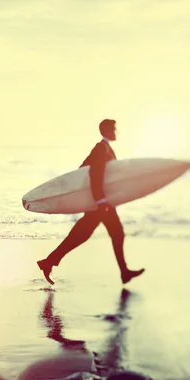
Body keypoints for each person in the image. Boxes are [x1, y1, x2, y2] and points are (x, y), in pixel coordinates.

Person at [37, 119, 145, 285]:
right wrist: (100, 200)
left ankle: (49, 262)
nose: (116, 132)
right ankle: (49, 261)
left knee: (91, 234)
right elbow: (95, 174)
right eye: (114, 129)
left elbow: (83, 168)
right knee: (85, 234)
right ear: (107, 131)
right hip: (100, 203)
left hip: (103, 202)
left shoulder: (105, 148)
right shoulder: (101, 149)